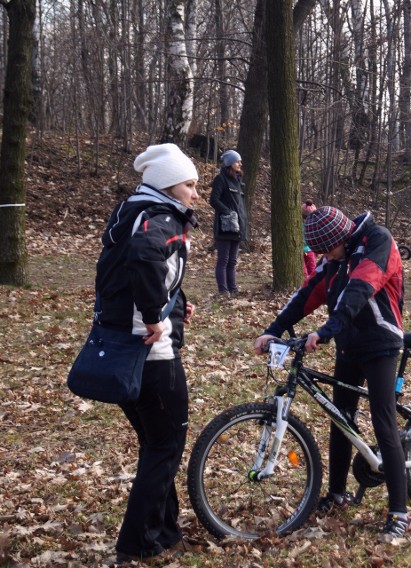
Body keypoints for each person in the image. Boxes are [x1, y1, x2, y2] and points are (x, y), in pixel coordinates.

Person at [253, 206, 409, 541]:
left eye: (328, 249)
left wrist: (325, 331)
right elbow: (307, 294)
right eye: (321, 252)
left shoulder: (377, 240)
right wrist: (273, 330)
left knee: (384, 422)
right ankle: (337, 493)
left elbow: (360, 290)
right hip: (349, 345)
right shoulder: (335, 259)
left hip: (381, 343)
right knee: (340, 418)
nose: (326, 256)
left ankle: (399, 512)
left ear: (342, 237)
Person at [95, 144, 199, 563]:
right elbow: (145, 257)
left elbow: (136, 271)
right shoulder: (163, 216)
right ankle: (135, 543)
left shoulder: (131, 212)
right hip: (151, 353)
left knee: (156, 442)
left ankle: (166, 529)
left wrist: (175, 302)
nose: (195, 192)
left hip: (117, 345)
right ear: (168, 185)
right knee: (166, 442)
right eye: (190, 184)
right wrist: (157, 315)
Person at [210, 149, 248, 296]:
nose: (240, 164)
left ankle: (233, 289)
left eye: (239, 161)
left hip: (238, 227)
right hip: (225, 227)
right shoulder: (221, 179)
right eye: (237, 161)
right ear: (230, 163)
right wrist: (228, 213)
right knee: (223, 260)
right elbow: (214, 200)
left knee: (232, 261)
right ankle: (223, 290)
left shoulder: (238, 181)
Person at [301, 199, 318, 277]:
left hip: (310, 250)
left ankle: (312, 282)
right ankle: (305, 282)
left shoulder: (315, 226)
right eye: (304, 217)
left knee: (312, 268)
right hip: (299, 250)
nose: (306, 219)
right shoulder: (298, 223)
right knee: (303, 270)